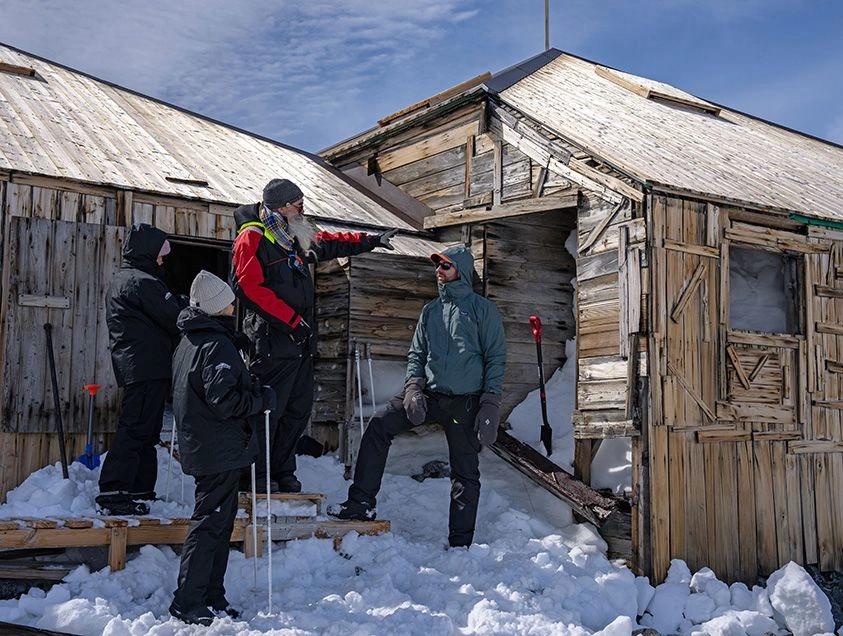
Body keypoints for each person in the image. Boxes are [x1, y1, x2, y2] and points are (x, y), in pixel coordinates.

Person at [328, 245, 507, 548]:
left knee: (465, 472)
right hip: (429, 395)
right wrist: (413, 389)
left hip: (465, 401)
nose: (438, 271)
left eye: (445, 266)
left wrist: (489, 403)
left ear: (460, 271)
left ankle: (460, 544)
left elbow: (496, 358)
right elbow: (417, 354)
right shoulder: (431, 311)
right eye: (437, 266)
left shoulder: (482, 310)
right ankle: (360, 504)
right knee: (378, 427)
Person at [230, 178, 398, 494]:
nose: (303, 209)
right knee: (269, 410)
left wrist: (369, 241)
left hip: (300, 341)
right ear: (280, 206)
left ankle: (283, 469)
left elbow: (328, 242)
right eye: (298, 204)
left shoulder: (292, 233)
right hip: (272, 340)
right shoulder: (252, 238)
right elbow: (248, 287)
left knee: (297, 409)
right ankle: (257, 473)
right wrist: (291, 321)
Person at [169, 270, 275, 626]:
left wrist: (246, 382)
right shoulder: (216, 344)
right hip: (217, 447)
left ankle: (211, 594)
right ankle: (189, 600)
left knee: (219, 522)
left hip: (208, 445)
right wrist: (260, 398)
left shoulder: (191, 341)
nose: (235, 305)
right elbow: (224, 400)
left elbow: (214, 388)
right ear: (218, 306)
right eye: (230, 300)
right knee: (209, 523)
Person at [97, 223, 183, 516]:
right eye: (160, 254)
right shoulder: (142, 282)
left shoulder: (127, 279)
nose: (162, 260)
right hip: (144, 366)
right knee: (135, 428)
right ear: (148, 252)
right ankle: (113, 491)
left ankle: (138, 488)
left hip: (143, 366)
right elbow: (174, 318)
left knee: (147, 430)